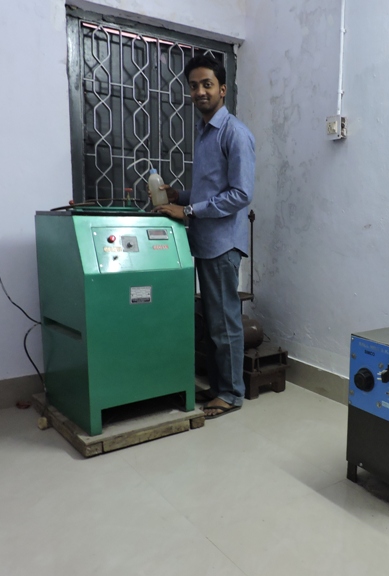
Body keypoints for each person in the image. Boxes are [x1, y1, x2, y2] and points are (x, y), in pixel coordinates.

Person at [154, 54, 255, 419]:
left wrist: (189, 211)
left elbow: (240, 194)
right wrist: (180, 195)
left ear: (222, 89)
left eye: (207, 84)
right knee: (212, 322)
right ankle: (219, 386)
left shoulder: (234, 133)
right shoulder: (204, 130)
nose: (199, 92)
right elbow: (211, 189)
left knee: (224, 322)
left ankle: (231, 394)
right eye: (194, 86)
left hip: (222, 244)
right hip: (205, 241)